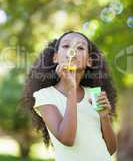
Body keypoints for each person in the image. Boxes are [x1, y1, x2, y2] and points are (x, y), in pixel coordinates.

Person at [22, 31, 118, 161]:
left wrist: (104, 117)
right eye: (66, 46)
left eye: (80, 47)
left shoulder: (94, 93)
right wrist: (71, 89)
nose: (72, 51)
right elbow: (67, 139)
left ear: (89, 61)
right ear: (55, 57)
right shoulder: (45, 96)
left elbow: (111, 150)